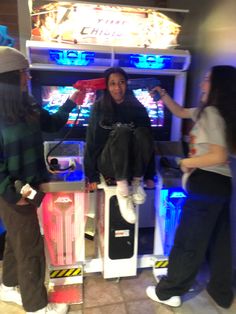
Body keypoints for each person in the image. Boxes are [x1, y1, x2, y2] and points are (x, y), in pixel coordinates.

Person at [146, 65, 236, 308]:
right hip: (219, 186)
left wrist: (186, 162)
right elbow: (181, 111)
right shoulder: (212, 113)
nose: (201, 83)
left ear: (217, 86)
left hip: (207, 184)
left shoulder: (212, 114)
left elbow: (218, 155)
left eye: (207, 79)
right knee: (219, 241)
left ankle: (169, 292)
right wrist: (162, 94)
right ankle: (221, 292)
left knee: (188, 240)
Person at [0, 46, 81, 314]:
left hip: (31, 186)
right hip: (13, 194)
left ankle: (8, 284)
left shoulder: (29, 104)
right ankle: (36, 306)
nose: (29, 77)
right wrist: (14, 193)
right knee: (31, 246)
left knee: (17, 239)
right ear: (10, 76)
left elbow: (54, 123)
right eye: (24, 72)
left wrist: (72, 101)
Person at [84, 67, 156, 224]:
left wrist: (149, 174)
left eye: (122, 83)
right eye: (113, 84)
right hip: (108, 162)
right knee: (122, 131)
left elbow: (148, 142)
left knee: (143, 132)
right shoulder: (99, 108)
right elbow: (91, 141)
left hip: (132, 164)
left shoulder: (138, 108)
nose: (118, 88)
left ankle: (137, 183)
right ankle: (123, 192)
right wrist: (92, 175)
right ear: (107, 86)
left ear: (127, 84)